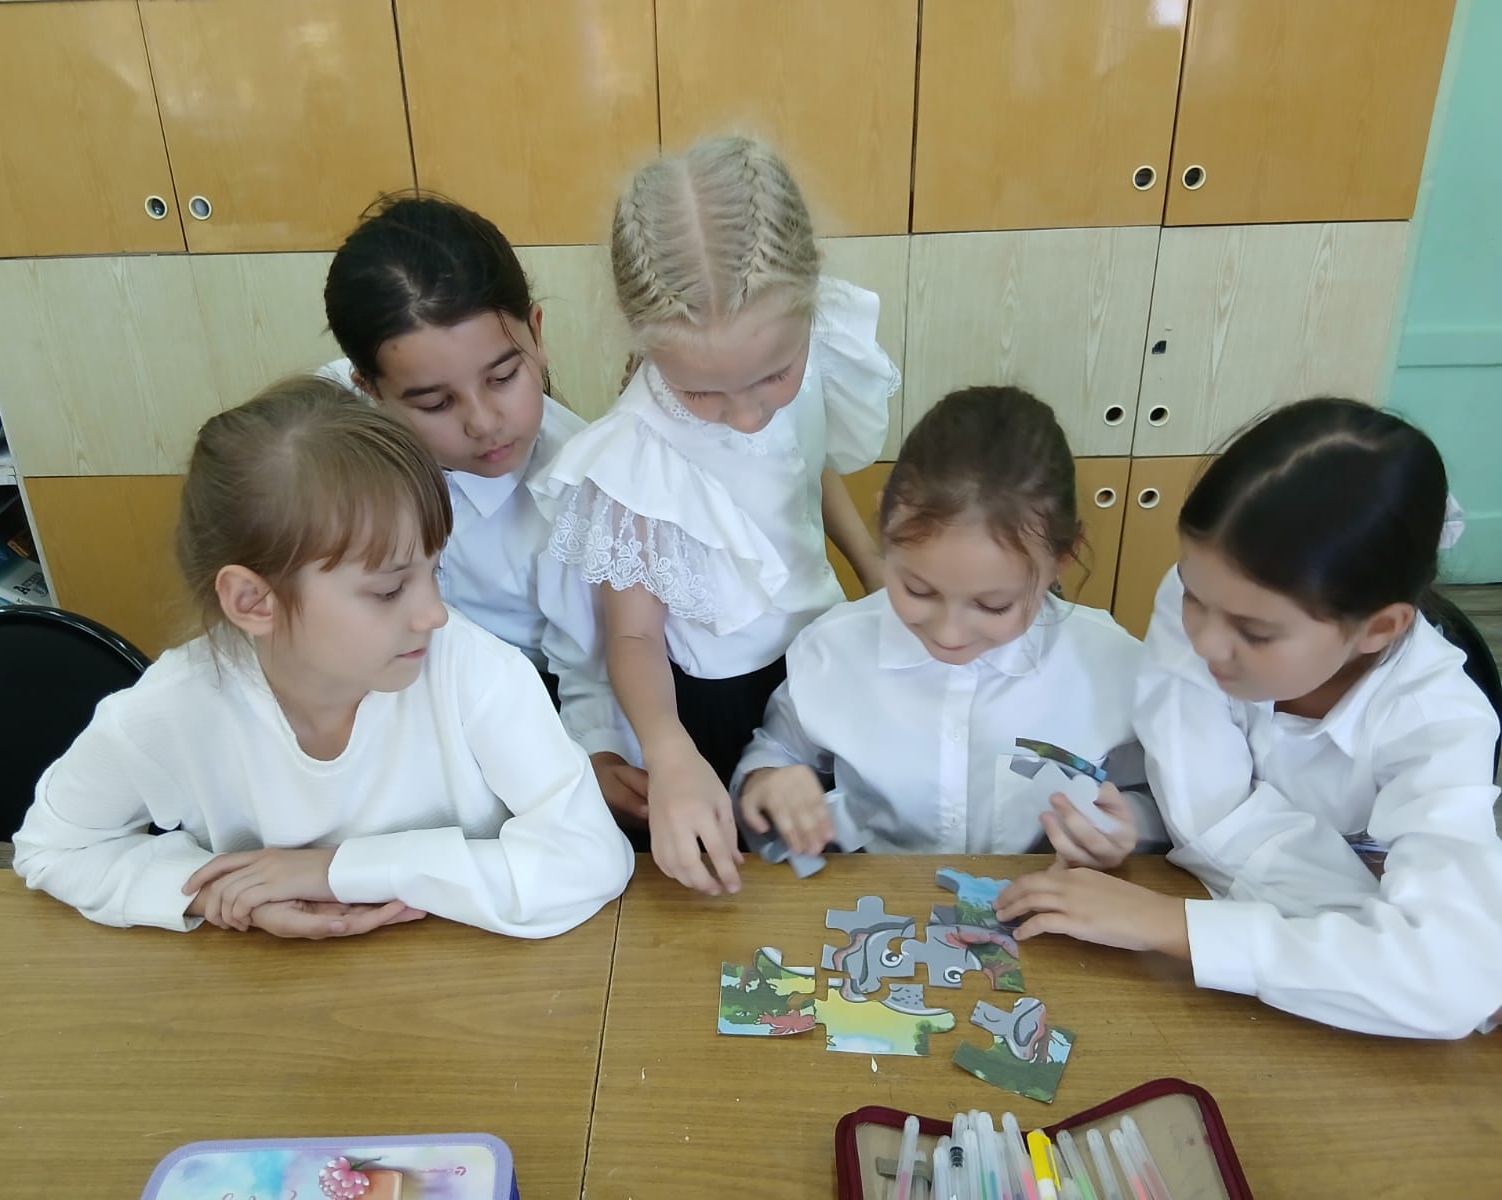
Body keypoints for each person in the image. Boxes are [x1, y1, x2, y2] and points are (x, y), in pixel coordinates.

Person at [13, 376, 634, 939]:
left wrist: (332, 872)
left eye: (434, 570)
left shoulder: (472, 672)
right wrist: (219, 895)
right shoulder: (172, 707)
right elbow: (51, 848)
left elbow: (590, 856)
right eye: (388, 590)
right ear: (254, 601)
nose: (434, 614)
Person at [997, 398, 1502, 1038]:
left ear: (1379, 628)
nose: (1203, 642)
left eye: (1255, 632)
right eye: (1192, 595)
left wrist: (1169, 923)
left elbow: (1452, 983)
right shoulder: (1206, 597)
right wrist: (1368, 925)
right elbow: (1209, 817)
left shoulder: (1441, 721)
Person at [533, 135, 897, 894]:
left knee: (833, 867)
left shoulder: (810, 342)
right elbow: (632, 634)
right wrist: (670, 755)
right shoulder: (637, 455)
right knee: (745, 886)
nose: (748, 416)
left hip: (823, 656)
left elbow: (805, 466)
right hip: (713, 703)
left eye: (774, 377)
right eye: (703, 392)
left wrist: (874, 570)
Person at [322, 194, 646, 828]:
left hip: (529, 709)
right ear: (370, 390)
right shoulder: (328, 441)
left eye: (503, 378)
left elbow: (589, 657)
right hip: (376, 706)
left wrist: (598, 755)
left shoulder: (584, 488)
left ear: (537, 335)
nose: (483, 421)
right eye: (435, 404)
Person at [733, 386, 1160, 860]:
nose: (948, 633)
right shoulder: (832, 649)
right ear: (885, 528)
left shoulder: (1112, 665)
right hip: (880, 898)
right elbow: (776, 752)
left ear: (1062, 559)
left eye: (994, 605)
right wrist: (767, 783)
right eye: (918, 590)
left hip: (1049, 897)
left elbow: (1157, 798)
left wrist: (1129, 827)